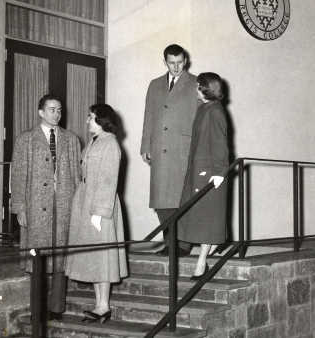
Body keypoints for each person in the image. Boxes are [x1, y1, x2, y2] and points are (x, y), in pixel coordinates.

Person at [11, 94, 81, 320]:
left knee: (61, 256)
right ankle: (37, 309)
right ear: (41, 112)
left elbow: (77, 175)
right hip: (35, 205)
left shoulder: (71, 139)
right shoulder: (26, 139)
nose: (57, 114)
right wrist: (20, 206)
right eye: (52, 109)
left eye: (59, 110)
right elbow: (18, 175)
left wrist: (78, 205)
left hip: (63, 205)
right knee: (37, 257)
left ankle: (56, 308)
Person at [65, 103, 128, 324]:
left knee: (102, 258)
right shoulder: (96, 141)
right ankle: (100, 304)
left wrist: (99, 212)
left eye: (90, 117)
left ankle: (104, 306)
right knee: (95, 258)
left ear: (101, 120)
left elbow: (108, 180)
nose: (87, 121)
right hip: (87, 202)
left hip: (100, 206)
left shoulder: (109, 143)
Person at [141, 44, 200, 257]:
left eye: (180, 62)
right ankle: (169, 243)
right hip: (159, 148)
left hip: (183, 149)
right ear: (164, 62)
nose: (176, 67)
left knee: (181, 199)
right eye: (171, 63)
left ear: (185, 61)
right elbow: (149, 116)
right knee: (162, 200)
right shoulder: (154, 85)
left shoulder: (195, 83)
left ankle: (183, 245)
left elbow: (201, 119)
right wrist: (145, 145)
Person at [177, 73, 229, 280]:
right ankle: (209, 252)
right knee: (200, 219)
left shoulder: (215, 111)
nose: (196, 89)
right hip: (199, 171)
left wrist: (219, 172)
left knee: (207, 221)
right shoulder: (204, 108)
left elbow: (220, 145)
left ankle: (201, 263)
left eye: (198, 86)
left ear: (207, 88)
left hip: (209, 173)